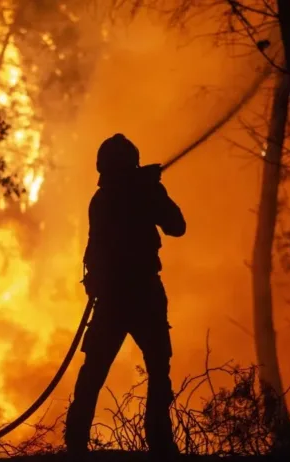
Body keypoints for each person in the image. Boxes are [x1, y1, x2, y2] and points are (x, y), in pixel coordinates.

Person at [65, 134, 186, 460]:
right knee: (157, 368)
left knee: (94, 371)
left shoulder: (101, 199)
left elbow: (175, 227)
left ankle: (75, 444)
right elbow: (176, 225)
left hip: (116, 297)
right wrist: (150, 188)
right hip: (141, 293)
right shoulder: (137, 193)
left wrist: (148, 187)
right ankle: (160, 444)